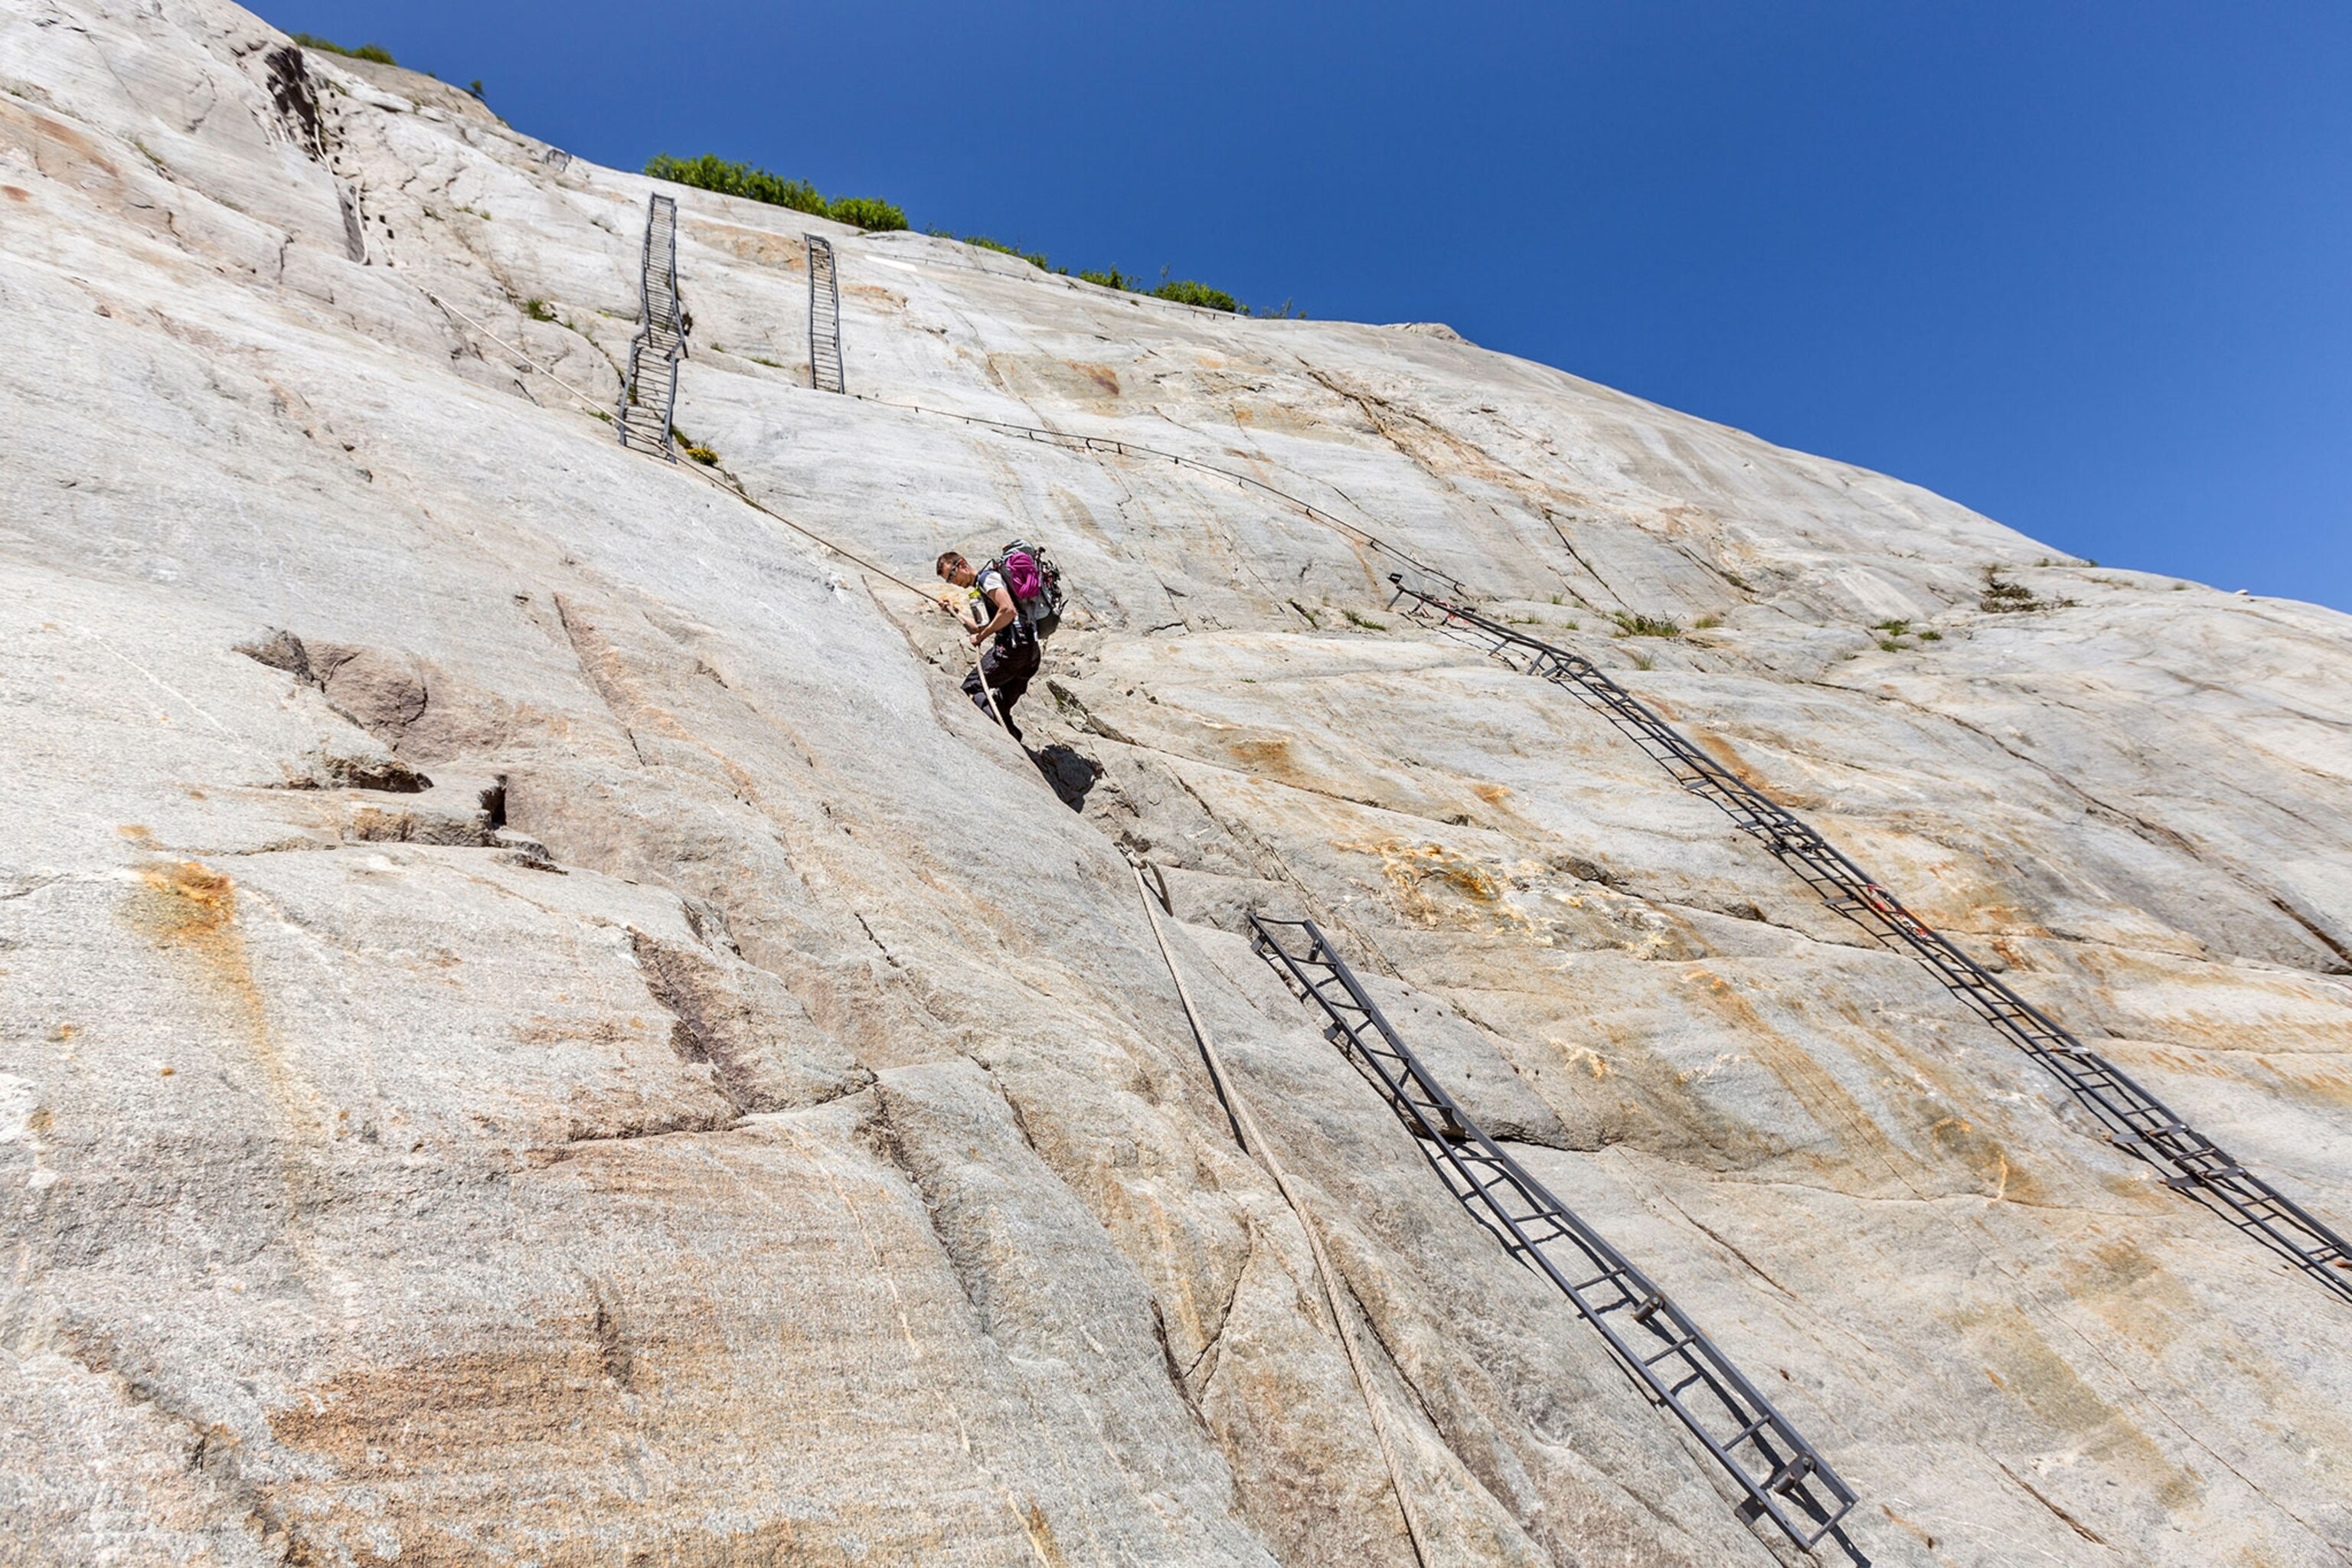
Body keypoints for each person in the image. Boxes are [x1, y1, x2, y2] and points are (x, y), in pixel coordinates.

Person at [936, 549, 1040, 743]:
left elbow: (1007, 611)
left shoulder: (987, 579)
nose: (953, 581)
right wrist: (954, 611)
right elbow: (980, 627)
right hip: (1030, 652)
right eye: (948, 580)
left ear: (963, 564)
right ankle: (1013, 743)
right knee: (999, 706)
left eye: (952, 574)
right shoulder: (981, 588)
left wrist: (982, 636)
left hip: (1013, 649)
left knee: (970, 689)